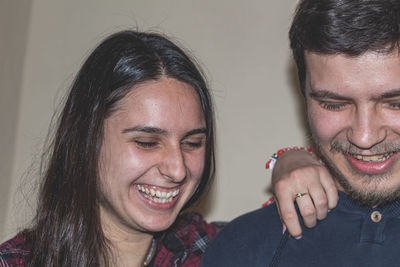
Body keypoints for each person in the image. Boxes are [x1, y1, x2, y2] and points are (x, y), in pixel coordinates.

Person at [0, 30, 334, 267]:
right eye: (147, 142)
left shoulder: (212, 251)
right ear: (85, 142)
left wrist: (292, 160)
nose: (177, 168)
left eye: (192, 143)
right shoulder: (15, 261)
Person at [199, 0, 400, 266]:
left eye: (396, 103)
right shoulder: (242, 249)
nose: (364, 137)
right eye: (334, 104)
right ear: (303, 94)